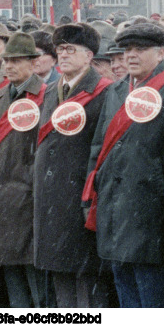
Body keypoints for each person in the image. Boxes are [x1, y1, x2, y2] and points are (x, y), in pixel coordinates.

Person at [85, 22, 164, 307]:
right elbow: (99, 148)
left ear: (160, 53)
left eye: (140, 49)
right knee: (125, 291)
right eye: (127, 49)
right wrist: (92, 195)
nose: (131, 55)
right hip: (115, 208)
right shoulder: (117, 90)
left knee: (152, 296)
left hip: (150, 210)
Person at [35, 24, 113, 307]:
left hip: (80, 193)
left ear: (89, 55)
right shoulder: (52, 90)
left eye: (71, 50)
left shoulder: (103, 91)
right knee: (60, 274)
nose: (63, 55)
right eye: (60, 50)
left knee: (86, 277)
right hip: (51, 193)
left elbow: (101, 146)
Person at [0, 32, 49, 308]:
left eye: (17, 60)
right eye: (7, 60)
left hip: (27, 196)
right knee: (9, 269)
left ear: (33, 63)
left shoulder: (45, 95)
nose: (9, 66)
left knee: (33, 272)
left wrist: (28, 181)